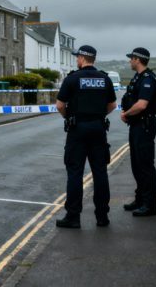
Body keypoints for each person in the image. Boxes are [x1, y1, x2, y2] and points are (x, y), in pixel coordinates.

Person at [55, 45, 117, 228]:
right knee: (100, 173)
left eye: (77, 57)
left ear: (82, 58)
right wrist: (98, 116)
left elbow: (59, 105)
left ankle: (73, 217)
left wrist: (70, 117)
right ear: (94, 59)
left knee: (75, 173)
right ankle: (102, 217)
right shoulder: (105, 79)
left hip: (77, 129)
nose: (76, 60)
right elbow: (112, 105)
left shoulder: (73, 79)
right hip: (98, 129)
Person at [120, 47, 156, 217]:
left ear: (138, 59)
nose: (130, 61)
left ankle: (150, 204)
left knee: (145, 165)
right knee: (136, 164)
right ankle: (140, 199)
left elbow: (142, 104)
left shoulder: (148, 79)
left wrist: (126, 113)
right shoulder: (138, 77)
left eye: (131, 58)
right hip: (137, 125)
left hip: (144, 125)